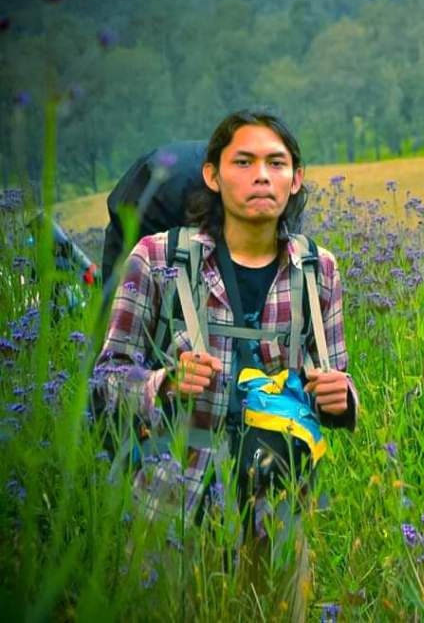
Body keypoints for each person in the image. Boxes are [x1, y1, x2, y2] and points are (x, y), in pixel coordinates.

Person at [93, 109, 357, 610]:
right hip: (173, 507)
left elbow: (337, 385)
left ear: (295, 178)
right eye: (244, 161)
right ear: (212, 176)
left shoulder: (317, 269)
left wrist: (340, 397)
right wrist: (165, 382)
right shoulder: (156, 259)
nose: (262, 175)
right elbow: (104, 382)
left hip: (279, 508)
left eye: (276, 163)